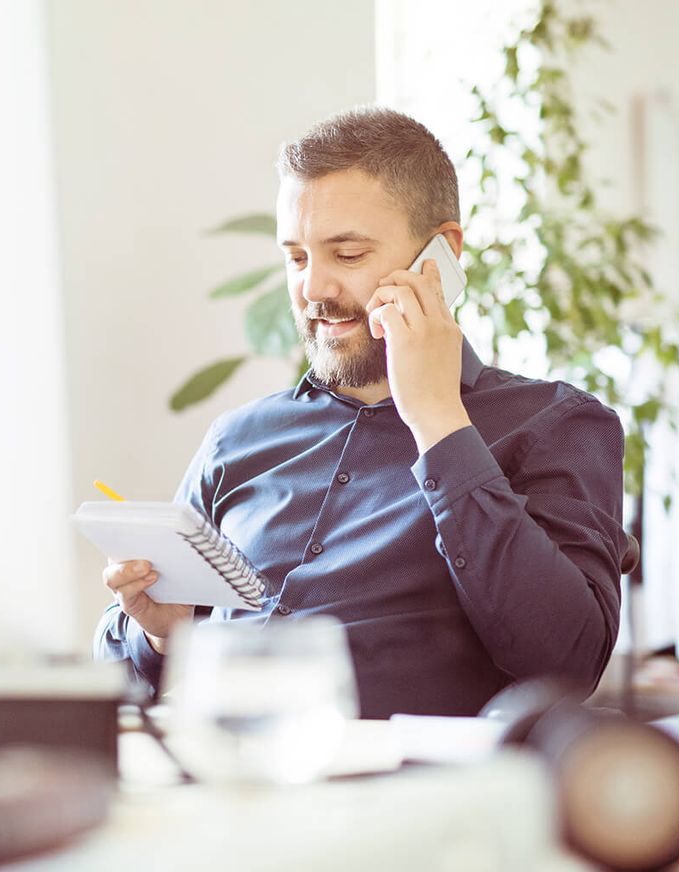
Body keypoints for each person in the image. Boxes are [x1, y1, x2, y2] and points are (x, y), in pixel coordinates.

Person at [94, 106, 633, 718]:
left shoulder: (555, 424)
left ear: (440, 256)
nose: (313, 290)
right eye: (296, 258)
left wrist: (436, 418)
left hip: (402, 799)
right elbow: (115, 680)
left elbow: (568, 661)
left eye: (346, 254)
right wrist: (162, 635)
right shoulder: (237, 440)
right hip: (218, 783)